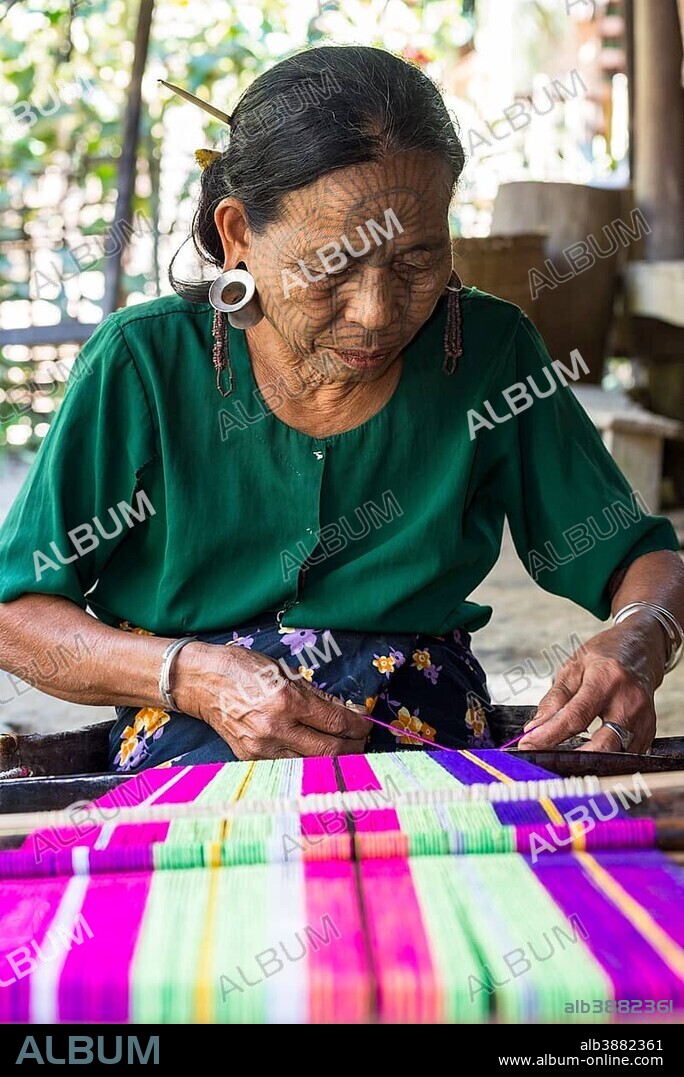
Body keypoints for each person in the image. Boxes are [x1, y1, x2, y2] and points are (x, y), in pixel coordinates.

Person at [0, 46, 681, 772]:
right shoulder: (142, 365)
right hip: (195, 735)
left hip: (426, 728)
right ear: (238, 236)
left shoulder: (490, 353)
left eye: (419, 262)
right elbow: (17, 616)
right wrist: (190, 675)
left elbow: (638, 557)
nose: (379, 313)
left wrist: (641, 631)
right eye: (332, 267)